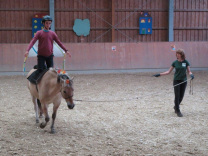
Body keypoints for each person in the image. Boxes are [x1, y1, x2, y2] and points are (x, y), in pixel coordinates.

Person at [24, 15, 71, 83]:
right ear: (43, 23)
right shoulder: (39, 33)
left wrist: (66, 50)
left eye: (49, 23)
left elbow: (59, 43)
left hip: (49, 55)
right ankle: (35, 83)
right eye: (46, 23)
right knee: (40, 70)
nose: (48, 25)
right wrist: (27, 50)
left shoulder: (52, 34)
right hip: (41, 55)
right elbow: (32, 42)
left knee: (51, 71)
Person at [153, 45, 194, 117]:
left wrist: (191, 75)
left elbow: (189, 71)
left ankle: (176, 105)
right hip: (176, 80)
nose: (177, 55)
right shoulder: (174, 62)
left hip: (184, 81)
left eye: (178, 54)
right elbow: (168, 72)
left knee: (181, 96)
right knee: (177, 95)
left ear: (182, 55)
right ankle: (177, 110)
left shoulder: (186, 62)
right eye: (176, 54)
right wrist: (159, 74)